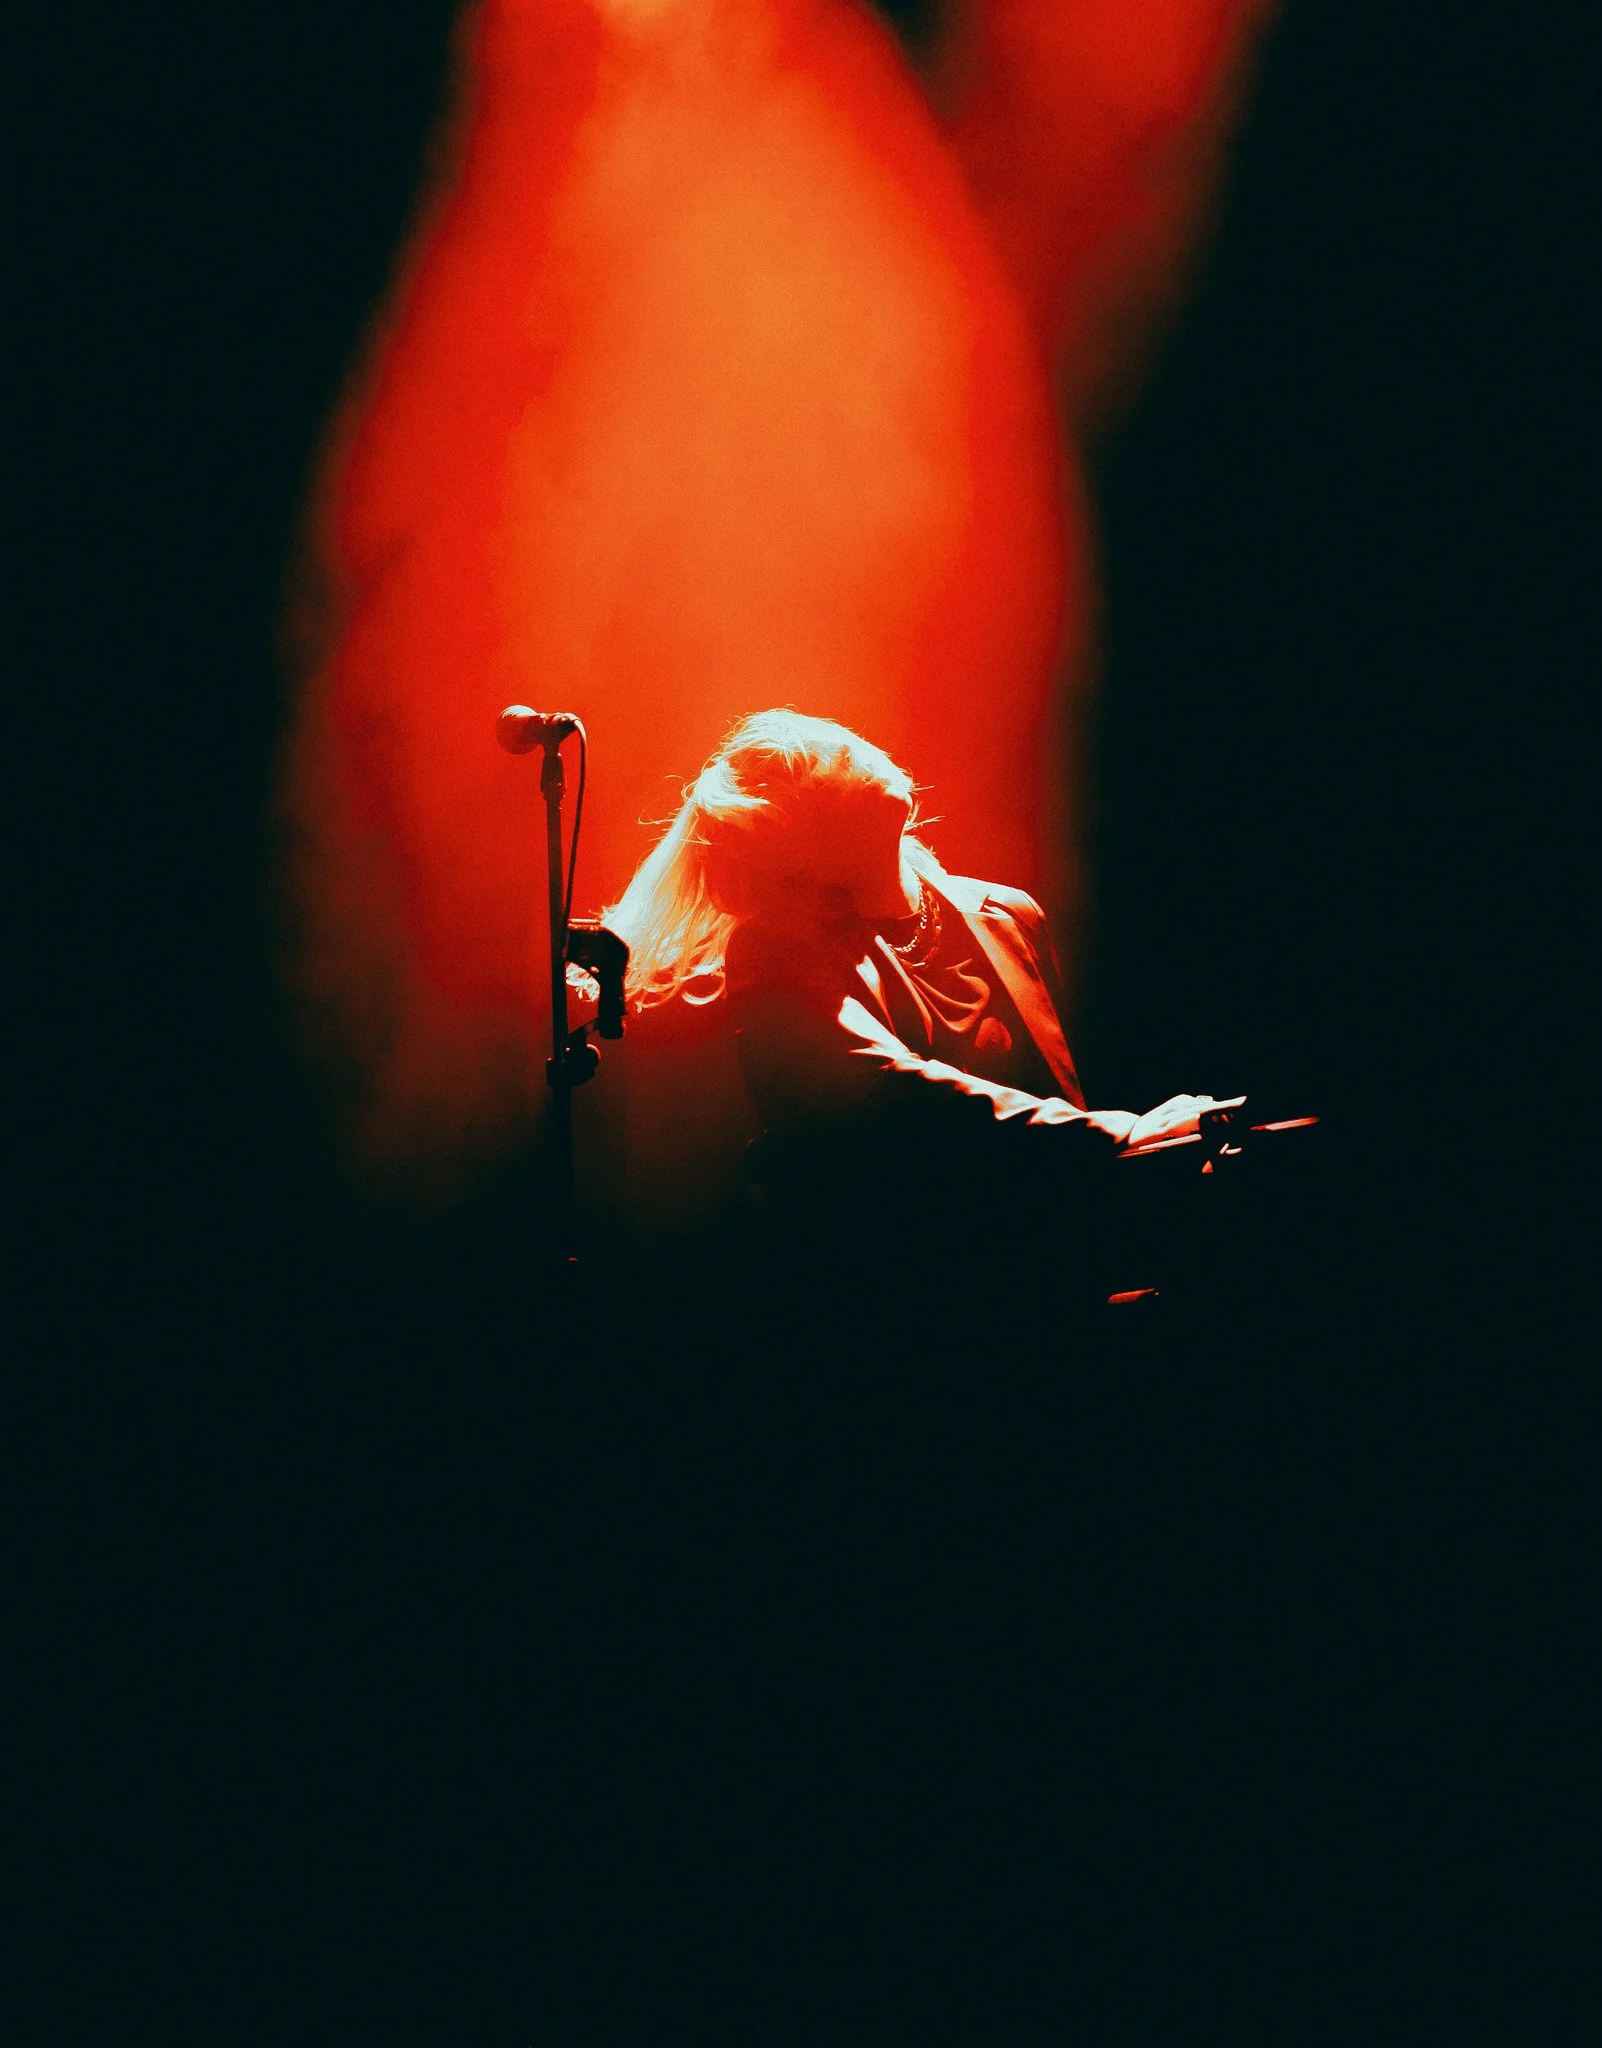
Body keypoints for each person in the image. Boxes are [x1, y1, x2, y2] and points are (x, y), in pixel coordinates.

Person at [605, 711, 1225, 1290]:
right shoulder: (773, 953)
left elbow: (1058, 1100)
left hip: (1047, 1275)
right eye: (812, 763)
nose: (850, 750)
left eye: (843, 742)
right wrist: (1126, 1136)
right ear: (784, 835)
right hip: (890, 1297)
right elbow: (893, 1104)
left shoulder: (1008, 912)